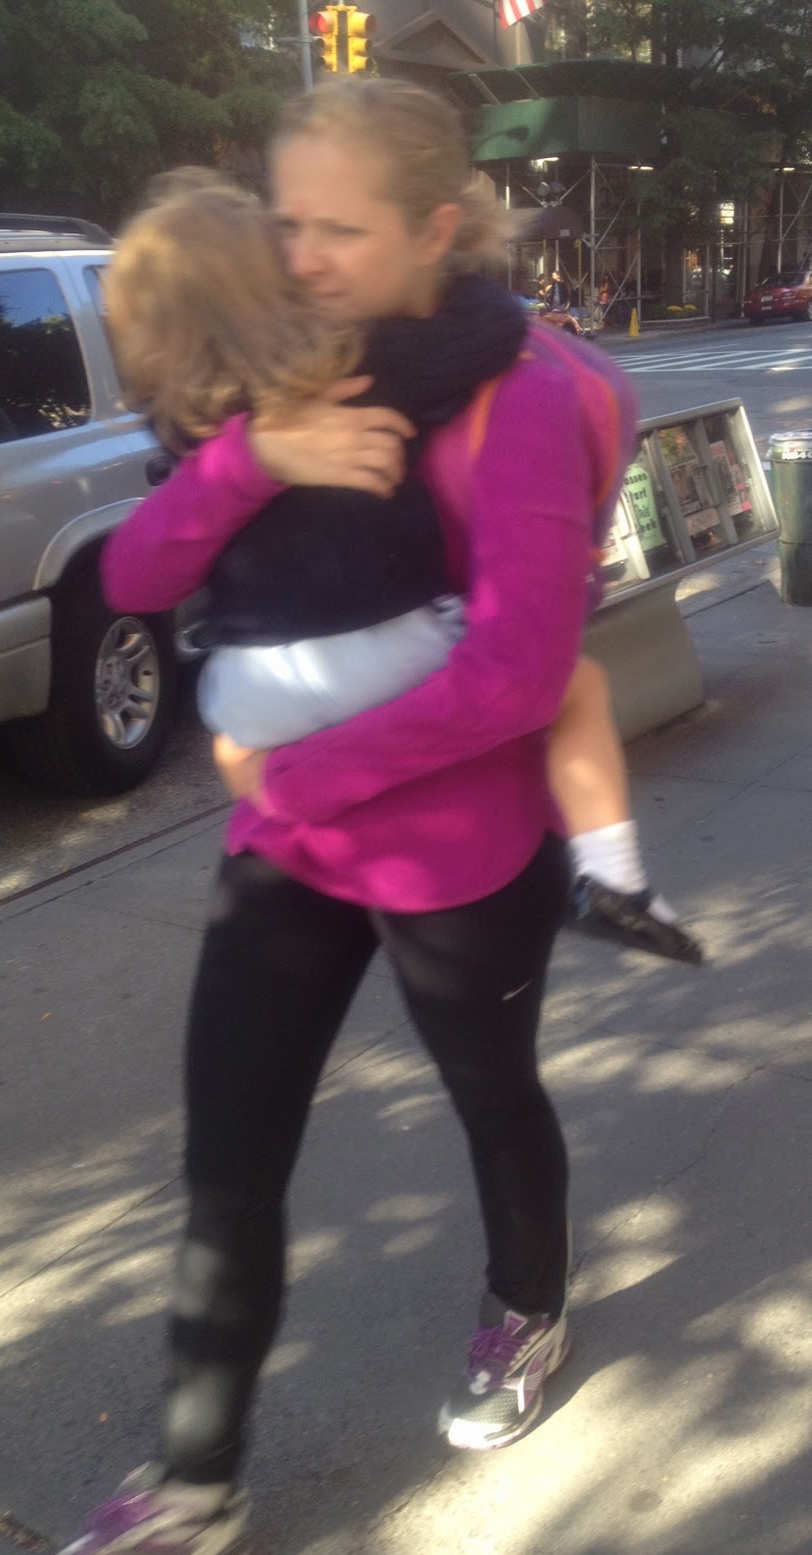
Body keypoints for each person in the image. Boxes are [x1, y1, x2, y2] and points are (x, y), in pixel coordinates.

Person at [0, 78, 686, 1555]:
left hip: (456, 852)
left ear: (435, 228)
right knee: (226, 1168)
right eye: (285, 220)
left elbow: (518, 675)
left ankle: (528, 1306)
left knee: (494, 1098)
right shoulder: (294, 365)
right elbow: (142, 575)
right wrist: (263, 459)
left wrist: (293, 782)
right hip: (293, 857)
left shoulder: (520, 393)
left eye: (336, 230)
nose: (297, 256)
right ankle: (193, 1496)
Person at [105, 174, 701, 964]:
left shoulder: (193, 417)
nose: (312, 258)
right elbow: (487, 334)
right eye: (295, 238)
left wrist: (246, 457)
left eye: (335, 233)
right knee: (577, 684)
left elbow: (131, 581)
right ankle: (616, 876)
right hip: (400, 702)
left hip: (252, 701)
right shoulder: (359, 369)